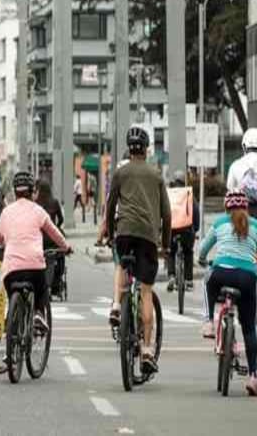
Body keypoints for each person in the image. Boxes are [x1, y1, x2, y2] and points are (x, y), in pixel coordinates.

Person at [105, 126, 171, 375]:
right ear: (146, 149)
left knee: (122, 264)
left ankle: (115, 306)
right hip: (147, 236)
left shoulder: (120, 173)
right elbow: (166, 212)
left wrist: (112, 235)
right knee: (145, 292)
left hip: (124, 233)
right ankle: (146, 349)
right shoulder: (156, 174)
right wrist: (164, 243)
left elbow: (111, 207)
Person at [198, 189, 257, 397]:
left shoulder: (220, 223)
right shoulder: (255, 224)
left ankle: (209, 321)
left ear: (226, 207)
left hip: (221, 273)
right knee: (249, 328)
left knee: (207, 282)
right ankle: (253, 377)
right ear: (246, 207)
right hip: (247, 278)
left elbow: (203, 248)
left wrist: (203, 260)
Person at [0, 171, 72, 334]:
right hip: (34, 267)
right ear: (32, 192)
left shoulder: (6, 212)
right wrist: (66, 247)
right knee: (42, 288)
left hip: (11, 269)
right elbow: (55, 232)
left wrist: (6, 242)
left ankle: (11, 317)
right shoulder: (38, 211)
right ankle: (38, 313)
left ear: (15, 191)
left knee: (10, 292)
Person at [166, 172, 199, 294]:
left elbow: (164, 211)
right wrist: (195, 229)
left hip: (172, 230)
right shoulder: (188, 194)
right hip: (186, 230)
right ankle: (189, 280)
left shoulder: (169, 194)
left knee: (170, 252)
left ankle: (171, 276)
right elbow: (195, 211)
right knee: (188, 252)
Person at [34, 179, 66, 297]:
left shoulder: (35, 204)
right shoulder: (54, 202)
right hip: (52, 239)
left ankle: (40, 286)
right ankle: (54, 285)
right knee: (55, 259)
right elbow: (61, 219)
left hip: (38, 239)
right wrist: (55, 228)